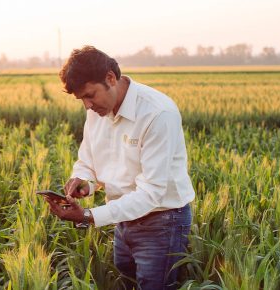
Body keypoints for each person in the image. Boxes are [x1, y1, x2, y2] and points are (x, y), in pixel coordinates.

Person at [45, 46, 195, 290]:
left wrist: (87, 216)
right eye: (81, 99)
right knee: (126, 281)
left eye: (90, 95)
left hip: (161, 221)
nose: (87, 105)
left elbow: (152, 193)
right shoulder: (97, 110)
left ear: (110, 78)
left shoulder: (158, 113)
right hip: (123, 219)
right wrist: (84, 180)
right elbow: (88, 159)